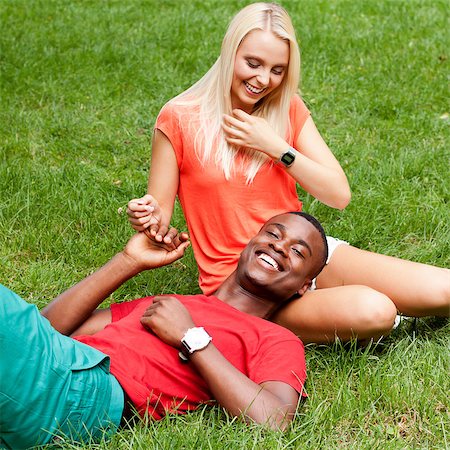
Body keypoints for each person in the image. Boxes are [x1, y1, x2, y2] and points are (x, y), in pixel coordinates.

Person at [127, 2, 449, 343]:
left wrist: (273, 145)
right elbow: (158, 216)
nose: (263, 80)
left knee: (445, 289)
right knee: (376, 311)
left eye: (277, 70)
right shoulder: (178, 118)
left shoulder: (286, 108)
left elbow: (338, 194)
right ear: (229, 51)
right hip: (246, 285)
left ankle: (327, 301)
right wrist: (147, 216)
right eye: (252, 63)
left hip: (303, 256)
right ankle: (257, 320)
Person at [0, 211, 328, 449]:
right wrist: (129, 261)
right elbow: (49, 330)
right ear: (249, 244)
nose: (280, 247)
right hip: (54, 372)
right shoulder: (170, 303)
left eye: (299, 252)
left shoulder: (277, 339)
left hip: (88, 394)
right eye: (273, 234)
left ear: (303, 286)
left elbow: (274, 423)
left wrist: (192, 337)